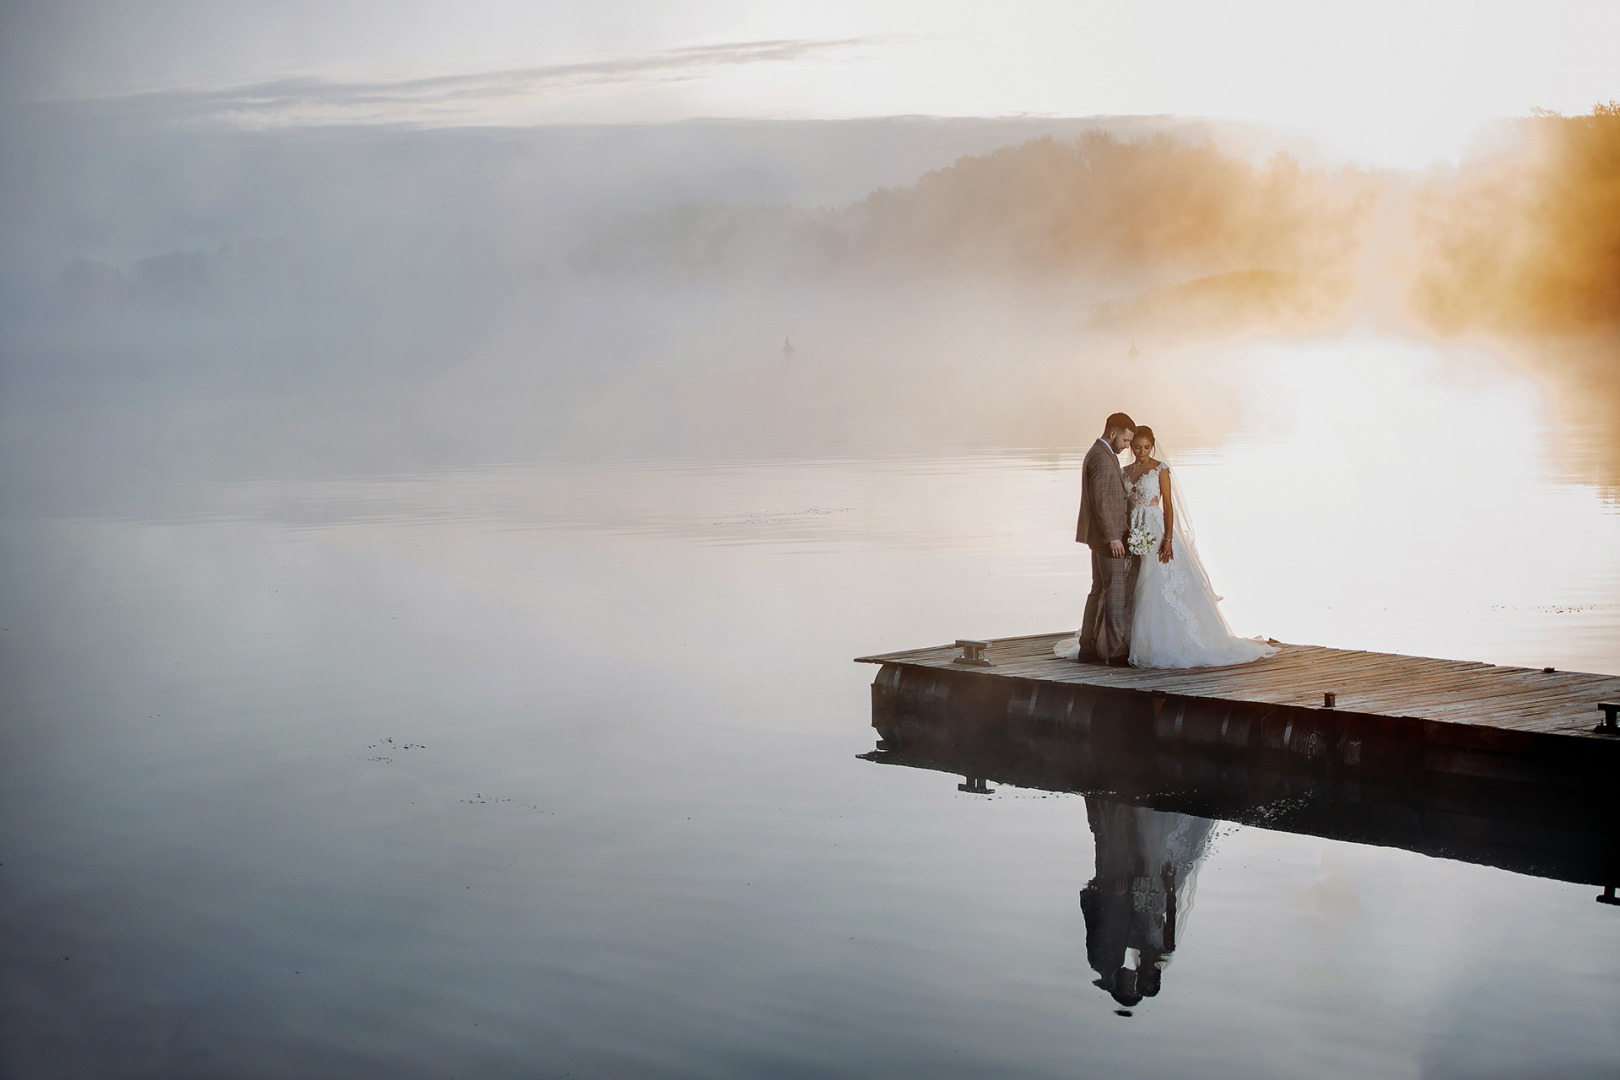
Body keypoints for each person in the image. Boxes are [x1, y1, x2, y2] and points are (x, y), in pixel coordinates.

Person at [1116, 426, 1275, 668]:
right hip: (1134, 531)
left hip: (1156, 529)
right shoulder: (1125, 471)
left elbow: (1168, 505)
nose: (1141, 452)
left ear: (1153, 446)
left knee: (1157, 582)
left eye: (1146, 447)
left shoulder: (1161, 469)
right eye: (1137, 447)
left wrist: (1168, 539)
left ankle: (1167, 641)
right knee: (1134, 582)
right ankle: (1133, 642)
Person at [1065, 412, 1138, 665]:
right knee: (1114, 592)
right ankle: (1116, 652)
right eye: (1126, 441)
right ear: (1113, 433)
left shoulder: (1100, 453)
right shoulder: (1101, 457)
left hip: (1101, 537)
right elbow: (1102, 502)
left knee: (1098, 590)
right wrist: (1113, 537)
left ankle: (1089, 648)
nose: (1127, 447)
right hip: (1108, 540)